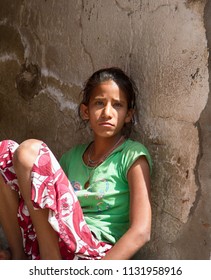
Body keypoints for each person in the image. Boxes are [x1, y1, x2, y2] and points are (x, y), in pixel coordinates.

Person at [0, 67, 152, 260]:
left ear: (129, 115)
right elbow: (48, 213)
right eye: (99, 103)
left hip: (96, 255)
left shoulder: (132, 156)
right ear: (85, 111)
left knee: (30, 150)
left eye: (117, 105)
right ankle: (19, 257)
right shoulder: (71, 157)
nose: (107, 113)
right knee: (4, 151)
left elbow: (141, 231)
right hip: (58, 243)